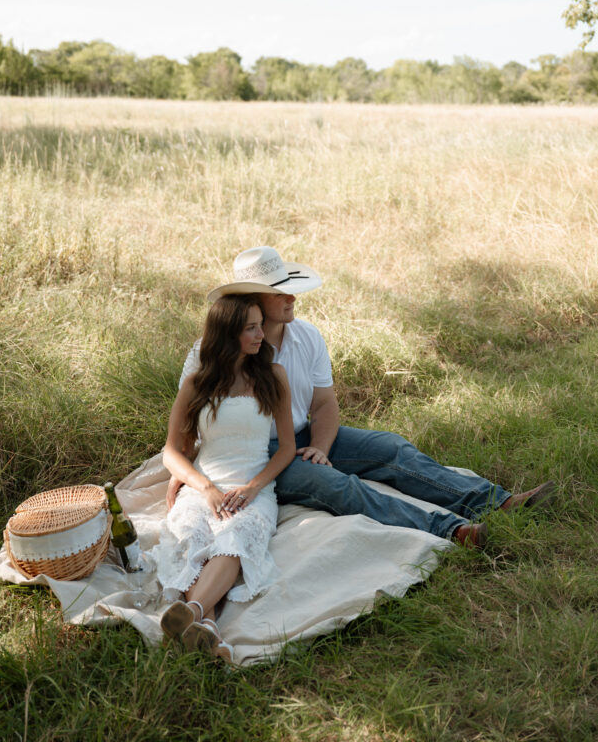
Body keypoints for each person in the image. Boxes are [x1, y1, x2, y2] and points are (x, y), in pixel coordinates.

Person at [173, 246, 556, 549]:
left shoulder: (307, 336)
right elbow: (193, 421)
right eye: (280, 290)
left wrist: (321, 447)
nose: (292, 296)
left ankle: (499, 502)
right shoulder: (207, 352)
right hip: (255, 457)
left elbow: (324, 405)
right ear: (253, 299)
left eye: (290, 285)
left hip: (303, 437)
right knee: (337, 485)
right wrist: (189, 476)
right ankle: (451, 530)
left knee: (391, 448)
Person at [153, 293, 295, 663]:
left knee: (235, 537)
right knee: (194, 538)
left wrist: (252, 488)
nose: (261, 334)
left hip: (252, 486)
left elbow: (286, 449)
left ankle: (194, 612)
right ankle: (209, 630)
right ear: (227, 333)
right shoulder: (196, 383)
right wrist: (205, 488)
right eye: (251, 328)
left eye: (260, 326)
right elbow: (172, 451)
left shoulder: (273, 376)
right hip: (205, 485)